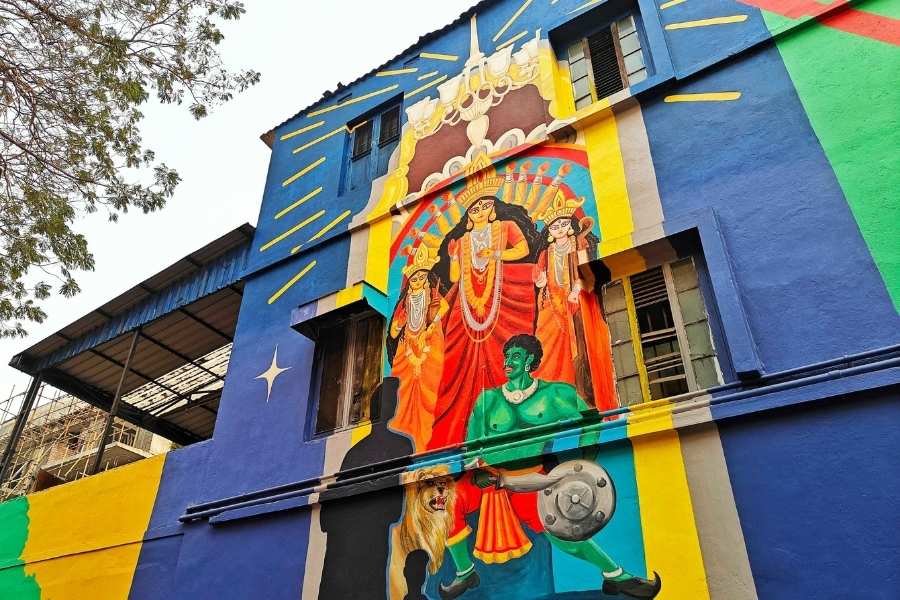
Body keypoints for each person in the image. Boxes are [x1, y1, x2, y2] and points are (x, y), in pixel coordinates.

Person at [438, 335, 661, 600]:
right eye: (506, 357)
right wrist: (477, 471)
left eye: (516, 356)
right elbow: (471, 446)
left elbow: (591, 421)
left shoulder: (555, 394)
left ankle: (616, 576)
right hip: (488, 478)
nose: (508, 362)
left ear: (530, 361)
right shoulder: (489, 400)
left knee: (561, 533)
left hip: (530, 478)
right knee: (447, 504)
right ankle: (465, 572)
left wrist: (584, 462)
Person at [427, 174, 542, 450]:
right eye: (474, 208)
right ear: (468, 215)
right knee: (456, 364)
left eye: (485, 206)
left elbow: (523, 249)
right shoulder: (462, 241)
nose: (480, 211)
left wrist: (496, 255)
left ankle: (512, 416)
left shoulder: (506, 226)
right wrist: (453, 257)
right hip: (466, 307)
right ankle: (460, 427)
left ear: (493, 208)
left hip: (503, 296)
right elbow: (455, 277)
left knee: (506, 351)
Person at [532, 194, 616, 411]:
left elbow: (586, 271)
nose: (559, 229)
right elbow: (539, 277)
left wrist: (577, 289)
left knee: (581, 347)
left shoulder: (579, 243)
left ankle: (584, 394)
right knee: (548, 347)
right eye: (554, 227)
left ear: (570, 225)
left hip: (576, 302)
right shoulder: (546, 253)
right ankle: (554, 397)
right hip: (552, 306)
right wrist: (541, 281)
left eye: (563, 224)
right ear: (549, 232)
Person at [388, 244, 448, 451]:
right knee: (403, 395)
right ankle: (405, 437)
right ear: (409, 282)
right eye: (414, 279)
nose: (419, 282)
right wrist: (400, 324)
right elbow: (393, 333)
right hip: (406, 351)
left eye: (422, 277)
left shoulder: (432, 293)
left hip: (430, 347)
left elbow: (444, 307)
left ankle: (430, 437)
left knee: (431, 391)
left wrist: (431, 325)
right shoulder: (404, 303)